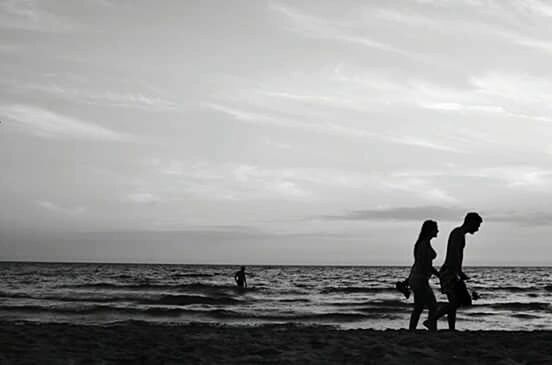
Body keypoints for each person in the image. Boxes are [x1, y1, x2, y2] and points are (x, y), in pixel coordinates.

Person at [424, 212, 483, 331]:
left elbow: (457, 255)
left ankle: (451, 329)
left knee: (454, 302)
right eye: (477, 225)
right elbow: (455, 254)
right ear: (470, 222)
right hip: (449, 272)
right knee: (455, 302)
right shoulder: (458, 234)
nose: (477, 229)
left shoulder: (459, 233)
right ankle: (431, 320)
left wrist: (459, 272)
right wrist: (458, 272)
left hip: (452, 271)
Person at [408, 220, 440, 331]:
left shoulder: (424, 243)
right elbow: (426, 265)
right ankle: (432, 328)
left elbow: (418, 264)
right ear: (430, 230)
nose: (438, 231)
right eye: (436, 228)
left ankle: (412, 330)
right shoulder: (423, 245)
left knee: (419, 307)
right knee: (433, 306)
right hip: (420, 279)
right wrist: (439, 275)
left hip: (418, 278)